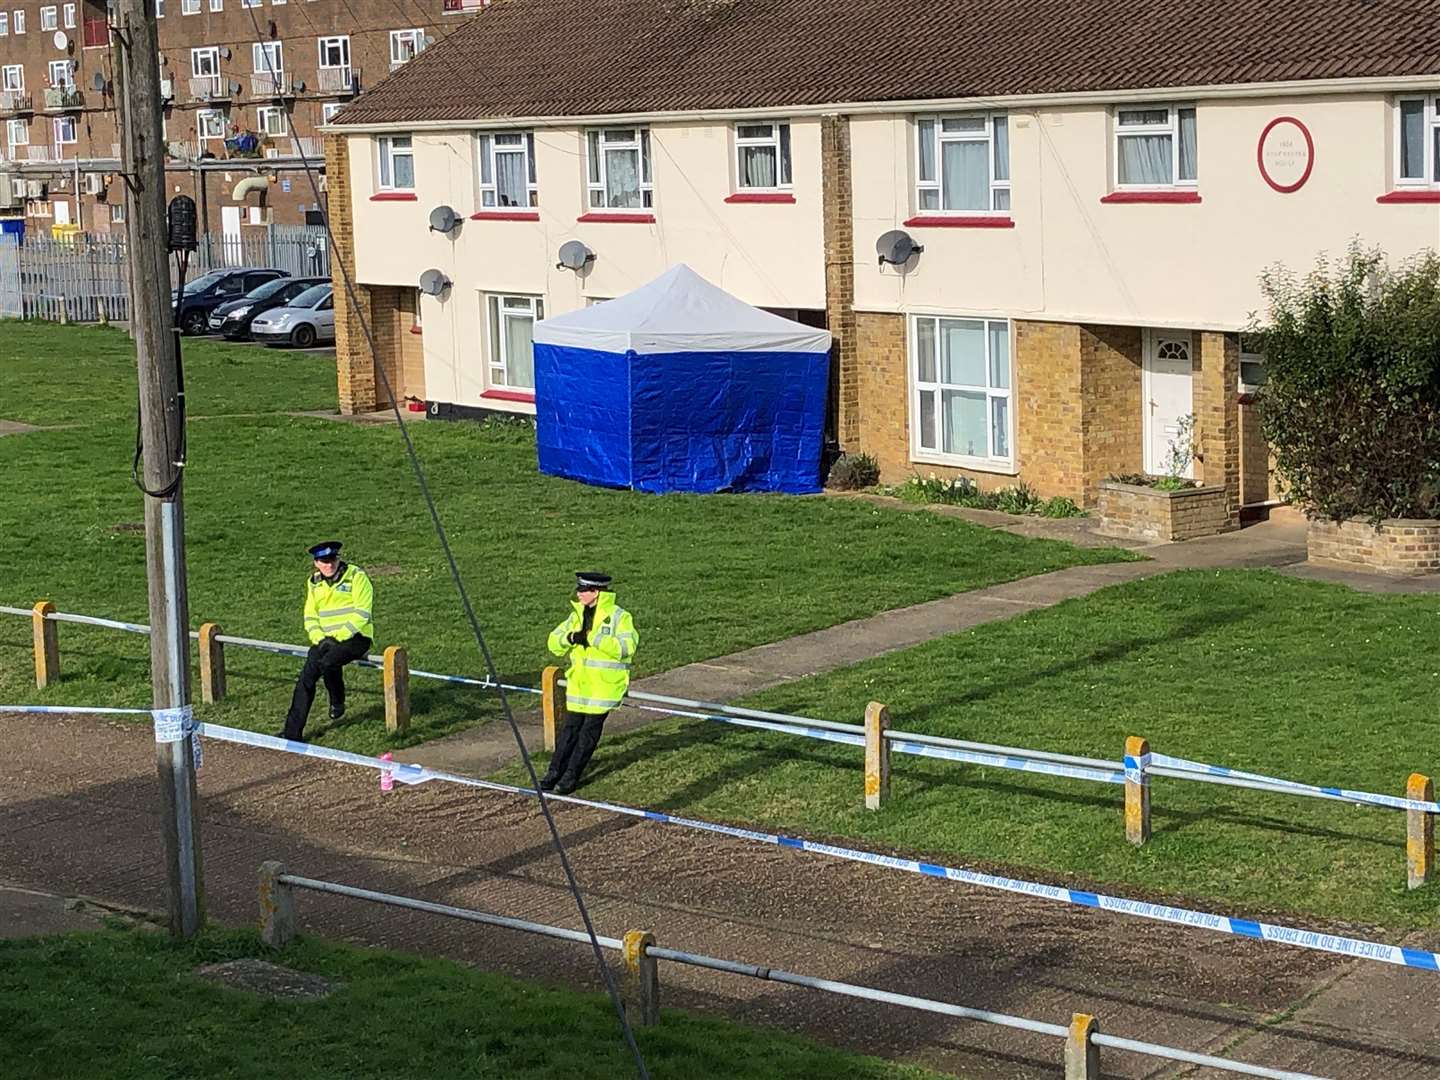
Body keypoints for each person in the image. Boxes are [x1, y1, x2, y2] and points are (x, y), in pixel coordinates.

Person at [543, 572, 639, 794]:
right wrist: (569, 638)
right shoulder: (575, 615)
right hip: (579, 687)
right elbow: (553, 643)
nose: (578, 594)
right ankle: (553, 773)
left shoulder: (619, 617)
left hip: (604, 688)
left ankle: (570, 777)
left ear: (596, 592)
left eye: (583, 590)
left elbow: (626, 649)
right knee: (569, 731)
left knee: (587, 735)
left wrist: (593, 638)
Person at [281, 541, 374, 742]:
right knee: (306, 678)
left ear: (338, 558)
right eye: (324, 561)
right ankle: (291, 733)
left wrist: (338, 637)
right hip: (325, 641)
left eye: (332, 559)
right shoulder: (314, 582)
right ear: (316, 563)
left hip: (356, 638)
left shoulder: (357, 576)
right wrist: (319, 638)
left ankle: (337, 701)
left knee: (328, 663)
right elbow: (310, 615)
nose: (329, 564)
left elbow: (362, 613)